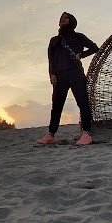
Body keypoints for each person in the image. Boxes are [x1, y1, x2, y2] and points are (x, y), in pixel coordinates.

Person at [36, 12, 99, 146]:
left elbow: (94, 47)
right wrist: (51, 74)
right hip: (59, 76)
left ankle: (86, 134)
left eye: (65, 18)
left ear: (71, 21)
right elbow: (51, 59)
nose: (62, 19)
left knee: (83, 103)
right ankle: (51, 134)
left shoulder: (78, 37)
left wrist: (81, 54)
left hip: (75, 73)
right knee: (57, 106)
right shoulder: (54, 40)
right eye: (61, 18)